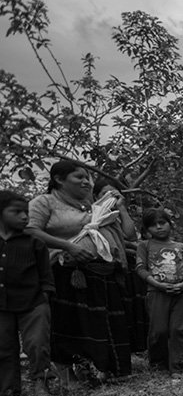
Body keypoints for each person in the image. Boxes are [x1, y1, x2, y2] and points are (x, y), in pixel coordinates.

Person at [27, 160, 134, 382]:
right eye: (79, 177)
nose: (86, 182)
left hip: (100, 273)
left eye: (87, 177)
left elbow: (127, 234)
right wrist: (68, 246)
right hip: (66, 273)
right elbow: (29, 231)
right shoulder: (44, 202)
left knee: (97, 324)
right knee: (67, 324)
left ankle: (97, 370)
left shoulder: (94, 207)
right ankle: (67, 376)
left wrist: (119, 207)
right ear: (59, 179)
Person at [0, 191, 53, 396]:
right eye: (17, 212)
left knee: (37, 344)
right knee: (3, 346)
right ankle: (8, 390)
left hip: (33, 302)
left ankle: (42, 383)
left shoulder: (34, 243)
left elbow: (45, 274)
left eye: (26, 212)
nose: (24, 217)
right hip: (2, 304)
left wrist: (46, 296)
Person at [136, 209, 183, 374]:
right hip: (156, 293)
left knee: (179, 329)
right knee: (158, 330)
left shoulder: (181, 247)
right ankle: (158, 365)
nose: (159, 227)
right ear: (147, 230)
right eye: (153, 225)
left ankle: (178, 366)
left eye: (162, 223)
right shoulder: (144, 246)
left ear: (170, 224)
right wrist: (157, 284)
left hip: (180, 294)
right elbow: (140, 269)